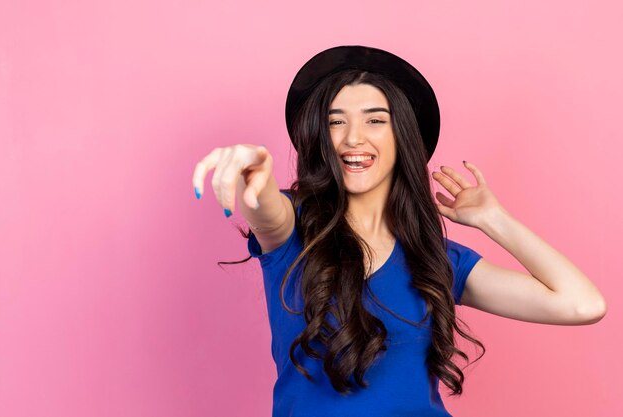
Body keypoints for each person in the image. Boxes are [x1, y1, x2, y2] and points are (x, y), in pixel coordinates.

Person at [192, 45, 607, 416]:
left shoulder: (437, 259)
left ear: (401, 136)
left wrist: (493, 220)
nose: (353, 137)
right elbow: (265, 210)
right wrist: (254, 174)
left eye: (375, 120)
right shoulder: (292, 230)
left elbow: (580, 305)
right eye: (336, 122)